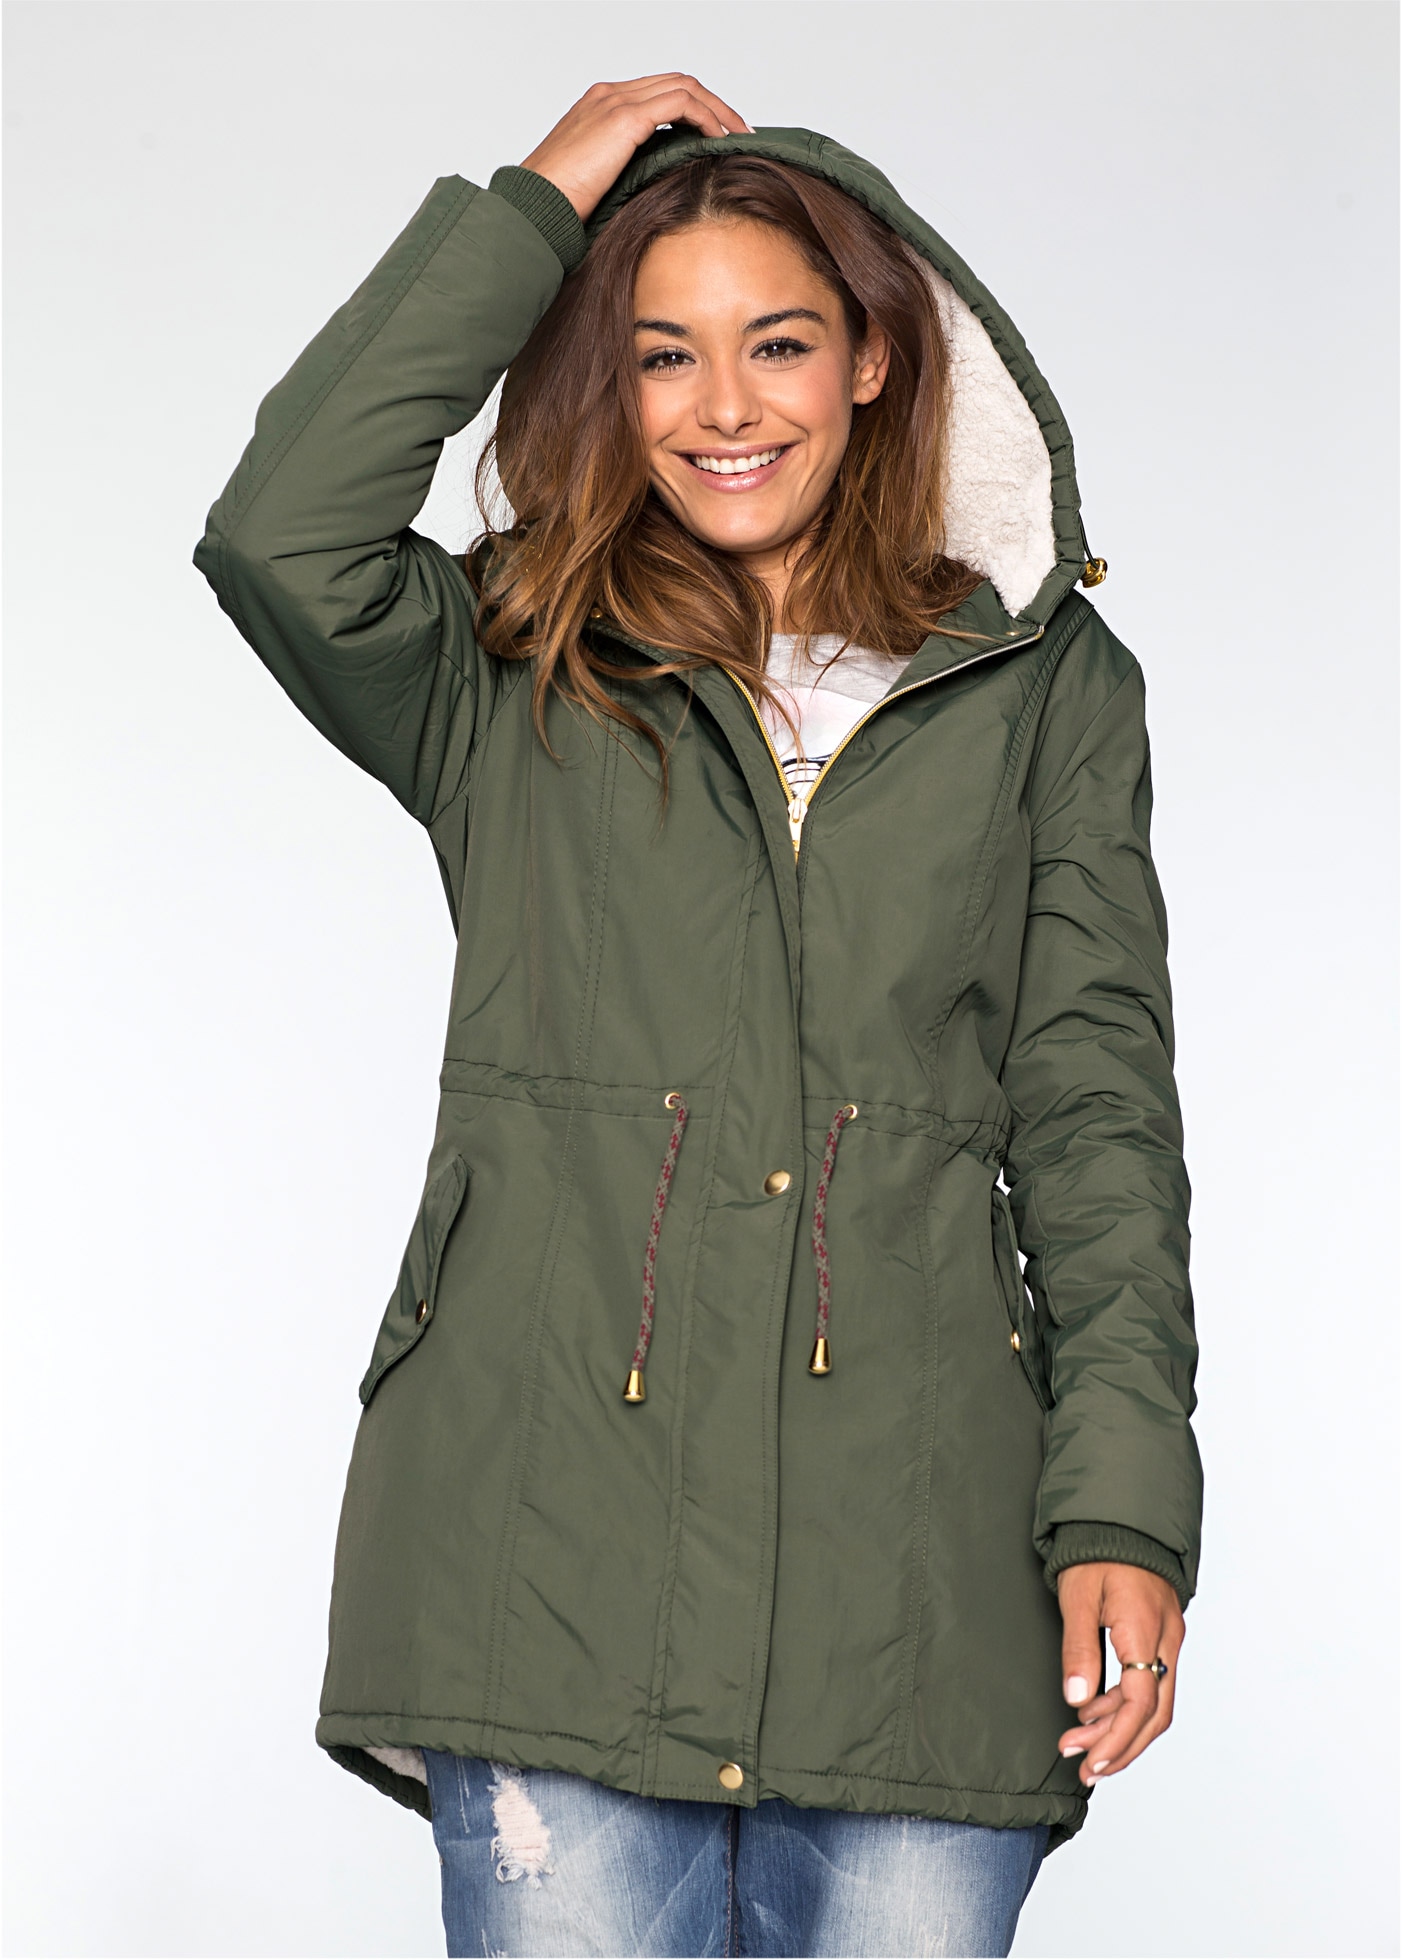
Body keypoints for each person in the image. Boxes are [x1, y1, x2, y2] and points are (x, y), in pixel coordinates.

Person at [195, 75, 1201, 1960]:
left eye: (778, 344)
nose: (723, 407)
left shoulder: (1045, 684)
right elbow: (281, 534)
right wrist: (539, 197)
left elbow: (1094, 1120)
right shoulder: (509, 659)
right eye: (663, 354)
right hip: (540, 1562)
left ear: (876, 358)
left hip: (918, 1583)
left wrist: (1124, 1513)